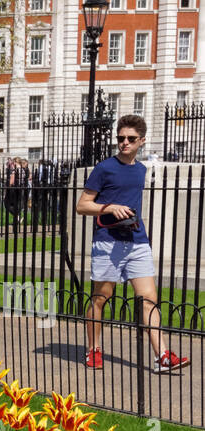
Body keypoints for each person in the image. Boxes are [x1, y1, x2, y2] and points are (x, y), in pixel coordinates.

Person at [77, 114, 188, 373]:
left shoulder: (141, 170)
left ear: (142, 141)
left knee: (149, 298)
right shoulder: (104, 168)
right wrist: (109, 207)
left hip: (137, 241)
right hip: (108, 243)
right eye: (120, 138)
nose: (124, 143)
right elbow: (82, 205)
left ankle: (162, 356)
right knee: (101, 298)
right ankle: (93, 350)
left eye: (130, 139)